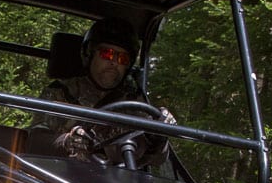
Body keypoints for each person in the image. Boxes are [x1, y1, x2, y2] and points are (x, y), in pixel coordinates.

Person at [35, 17, 172, 162]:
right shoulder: (60, 92)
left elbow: (155, 159)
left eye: (122, 59)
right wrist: (67, 141)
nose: (113, 62)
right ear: (89, 53)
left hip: (115, 180)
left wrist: (159, 137)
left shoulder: (135, 102)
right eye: (107, 54)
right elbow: (35, 142)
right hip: (58, 176)